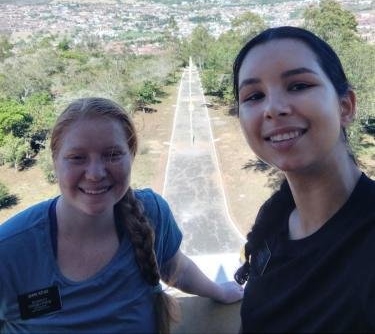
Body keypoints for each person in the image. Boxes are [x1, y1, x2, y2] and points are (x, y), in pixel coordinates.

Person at [0, 97, 243, 333]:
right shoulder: (9, 250)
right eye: (77, 158)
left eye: (112, 154)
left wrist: (218, 292)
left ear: (132, 156)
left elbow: (172, 264)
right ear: (55, 162)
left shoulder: (151, 212)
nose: (95, 173)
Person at [233, 26, 375, 333]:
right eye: (254, 96)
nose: (274, 109)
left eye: (298, 86)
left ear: (346, 106)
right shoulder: (273, 220)